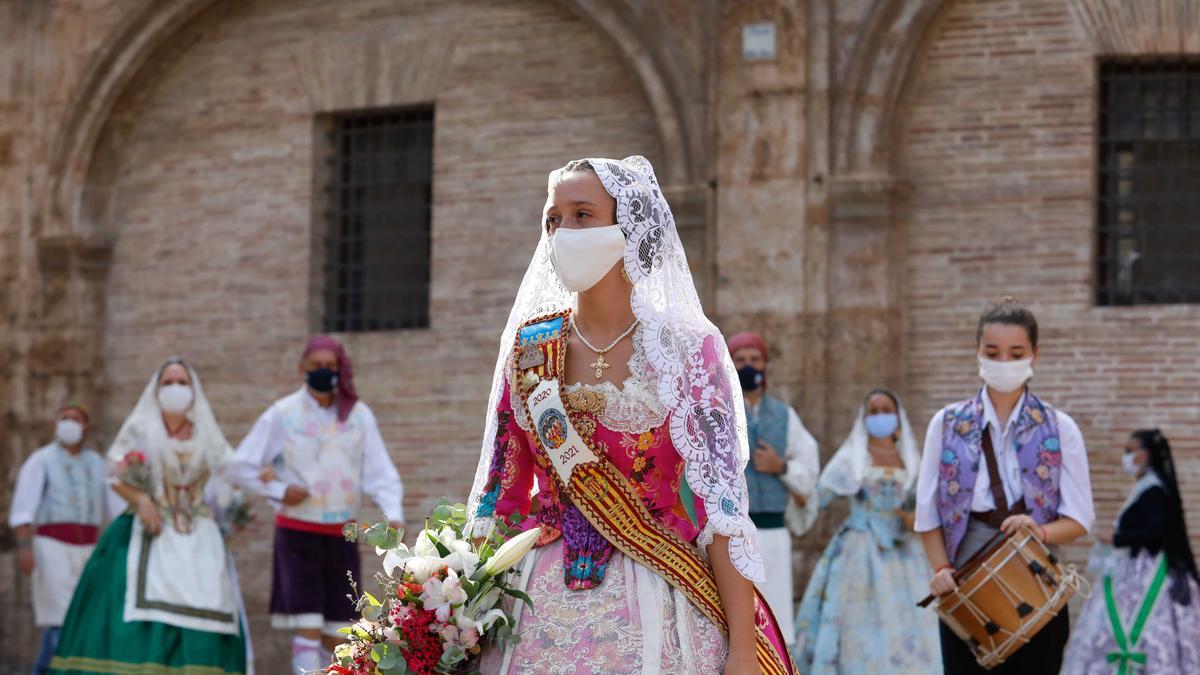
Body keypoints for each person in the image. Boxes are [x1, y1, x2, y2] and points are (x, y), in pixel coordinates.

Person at [468, 156, 796, 675]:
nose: (562, 232)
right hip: (533, 609)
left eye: (582, 215)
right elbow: (498, 503)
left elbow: (724, 513)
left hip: (662, 599)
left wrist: (741, 649)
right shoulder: (530, 352)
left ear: (630, 230)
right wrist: (450, 611)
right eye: (553, 219)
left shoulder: (688, 352)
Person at [914, 298, 1095, 674]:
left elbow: (1079, 519)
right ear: (977, 352)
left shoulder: (1060, 427)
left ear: (1034, 355)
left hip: (1036, 588)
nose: (1004, 362)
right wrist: (941, 568)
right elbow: (928, 514)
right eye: (992, 352)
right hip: (964, 588)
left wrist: (1040, 529)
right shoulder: (946, 424)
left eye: (1016, 353)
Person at [50, 358, 249, 674]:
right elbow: (114, 471)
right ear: (156, 391)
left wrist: (236, 512)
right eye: (167, 383)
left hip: (198, 535)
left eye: (182, 382)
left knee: (208, 604)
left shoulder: (207, 435)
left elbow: (234, 475)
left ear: (194, 390)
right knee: (127, 608)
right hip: (148, 528)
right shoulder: (142, 428)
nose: (175, 389)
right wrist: (142, 501)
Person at [228, 336, 404, 674]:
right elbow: (241, 465)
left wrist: (392, 513)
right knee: (307, 624)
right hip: (297, 533)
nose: (324, 372)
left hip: (342, 535)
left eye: (330, 366)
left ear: (341, 370)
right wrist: (279, 490)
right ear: (301, 369)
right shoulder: (282, 414)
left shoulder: (358, 416)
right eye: (316, 366)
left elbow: (379, 470)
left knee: (338, 632)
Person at [792, 389, 941, 673]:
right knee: (856, 620)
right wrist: (794, 486)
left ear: (899, 417)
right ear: (864, 419)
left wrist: (913, 518)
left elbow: (922, 505)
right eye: (873, 411)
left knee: (910, 620)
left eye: (887, 409)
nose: (880, 415)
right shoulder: (852, 459)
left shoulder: (910, 459)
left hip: (905, 553)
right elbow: (818, 496)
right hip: (859, 549)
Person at [1062, 429, 1200, 673]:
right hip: (1134, 569)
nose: (1126, 457)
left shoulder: (1153, 490)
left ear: (1145, 454)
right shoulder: (1148, 488)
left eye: (1130, 451)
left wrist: (1116, 538)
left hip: (1146, 574)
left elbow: (1156, 530)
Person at [727, 331, 820, 643]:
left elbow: (808, 471)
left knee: (774, 622)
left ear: (765, 365)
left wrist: (781, 467)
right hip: (731, 537)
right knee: (734, 624)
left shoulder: (784, 415)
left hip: (774, 536)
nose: (748, 366)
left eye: (755, 359)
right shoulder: (718, 411)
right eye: (740, 360)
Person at [9, 403, 108, 674]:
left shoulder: (98, 464)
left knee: (84, 617)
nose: (70, 423)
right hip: (51, 546)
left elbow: (113, 505)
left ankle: (43, 670)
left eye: (76, 419)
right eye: (64, 418)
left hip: (89, 548)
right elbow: (23, 508)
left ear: (85, 425)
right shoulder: (41, 460)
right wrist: (24, 547)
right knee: (60, 618)